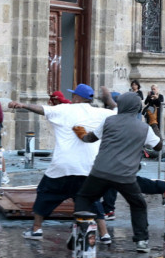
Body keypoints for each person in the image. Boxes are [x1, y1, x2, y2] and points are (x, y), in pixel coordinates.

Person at [9, 84, 113, 241]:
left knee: (45, 193)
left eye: (73, 95)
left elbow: (42, 109)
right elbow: (122, 112)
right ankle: (104, 234)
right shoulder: (102, 113)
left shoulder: (65, 109)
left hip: (62, 166)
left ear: (77, 97)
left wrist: (22, 104)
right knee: (92, 200)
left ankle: (36, 229)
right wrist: (109, 98)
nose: (71, 97)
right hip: (87, 168)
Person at [73, 93, 162, 252]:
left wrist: (82, 135)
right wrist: (154, 122)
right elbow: (158, 146)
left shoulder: (109, 121)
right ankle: (141, 241)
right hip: (125, 176)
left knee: (84, 197)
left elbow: (91, 138)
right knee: (138, 205)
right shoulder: (144, 128)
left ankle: (80, 231)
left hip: (100, 171)